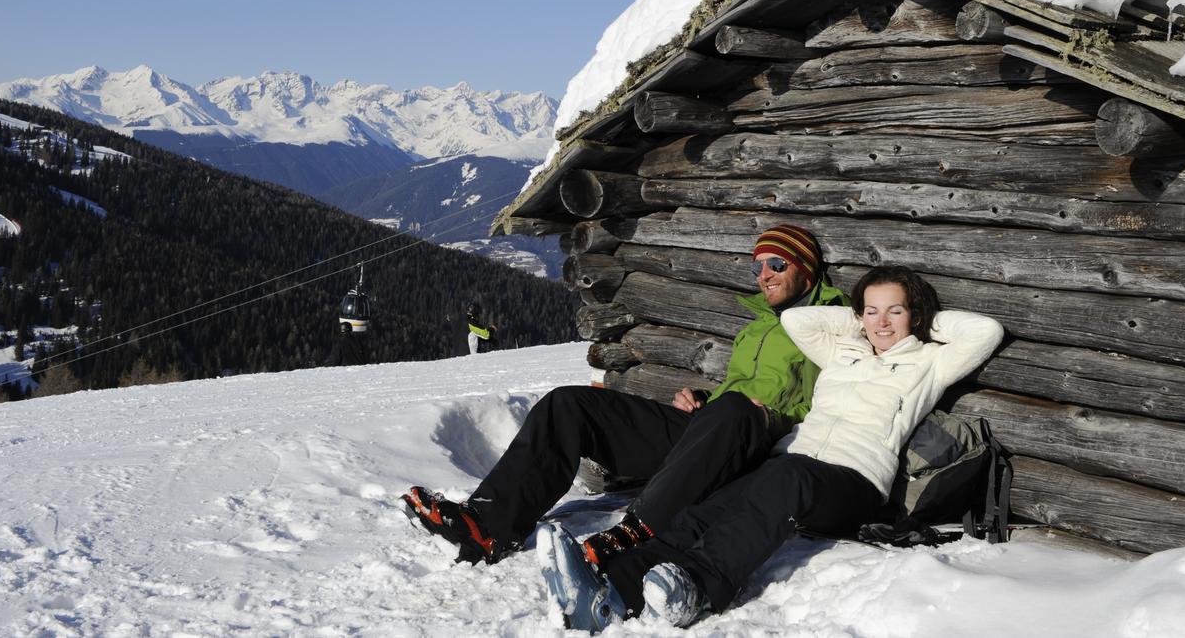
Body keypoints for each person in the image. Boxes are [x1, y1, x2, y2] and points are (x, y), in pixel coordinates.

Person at [539, 265, 1004, 631]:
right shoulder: (844, 352)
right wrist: (860, 323)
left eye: (894, 311)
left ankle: (699, 585)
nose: (881, 322)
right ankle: (612, 590)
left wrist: (920, 323)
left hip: (855, 482)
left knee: (787, 478)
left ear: (916, 316)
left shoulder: (928, 363)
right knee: (707, 510)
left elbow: (985, 332)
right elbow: (798, 319)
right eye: (871, 311)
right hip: (794, 463)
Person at [402, 224, 849, 566]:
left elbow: (834, 394)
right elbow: (743, 388)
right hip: (710, 428)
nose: (764, 275)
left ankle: (639, 536)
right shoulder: (756, 327)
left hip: (756, 443)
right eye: (757, 267)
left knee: (732, 410)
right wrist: (704, 398)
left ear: (804, 268)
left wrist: (775, 415)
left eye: (776, 264)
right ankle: (487, 524)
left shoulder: (833, 327)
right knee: (569, 404)